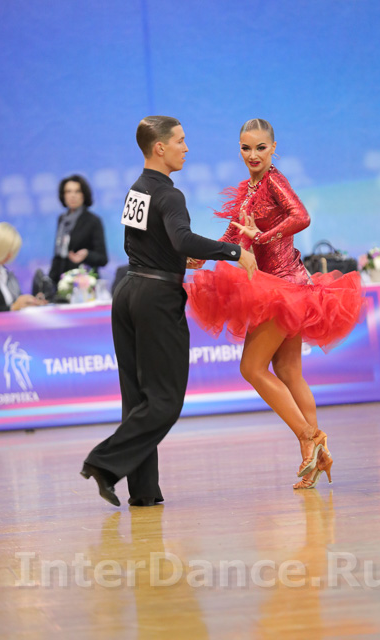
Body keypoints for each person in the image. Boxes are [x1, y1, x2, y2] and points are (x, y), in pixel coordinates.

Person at [81, 116, 257, 507]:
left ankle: (144, 491)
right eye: (180, 140)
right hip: (156, 299)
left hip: (128, 292)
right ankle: (103, 462)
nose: (186, 147)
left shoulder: (136, 189)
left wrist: (178, 260)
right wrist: (234, 251)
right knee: (165, 401)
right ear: (159, 147)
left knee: (138, 399)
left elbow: (143, 243)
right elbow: (181, 238)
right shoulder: (170, 195)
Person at [186, 118, 365, 490]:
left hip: (281, 290)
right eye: (245, 148)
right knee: (288, 371)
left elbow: (302, 216)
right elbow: (235, 231)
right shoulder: (250, 187)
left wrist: (263, 235)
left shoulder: (273, 182)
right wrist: (204, 255)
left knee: (251, 368)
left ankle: (308, 436)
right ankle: (317, 457)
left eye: (260, 148)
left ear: (273, 148)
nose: (252, 155)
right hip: (284, 288)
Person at [49, 175, 108, 285]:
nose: (73, 195)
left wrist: (86, 254)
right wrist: (50, 282)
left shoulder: (93, 220)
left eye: (77, 191)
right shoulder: (62, 220)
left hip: (84, 282)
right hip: (62, 282)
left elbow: (103, 258)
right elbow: (58, 255)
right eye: (68, 191)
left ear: (84, 195)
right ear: (63, 195)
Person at [0, 222, 47, 312]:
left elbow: (15, 302)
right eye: (7, 250)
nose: (10, 255)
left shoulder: (6, 273)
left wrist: (29, 302)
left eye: (12, 251)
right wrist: (12, 307)